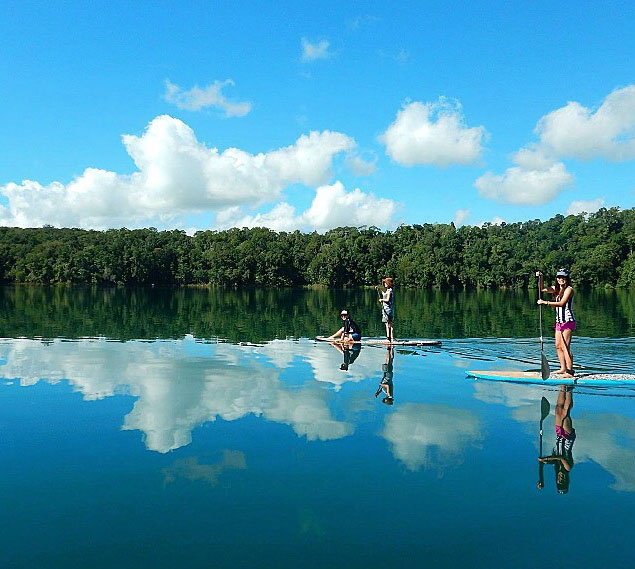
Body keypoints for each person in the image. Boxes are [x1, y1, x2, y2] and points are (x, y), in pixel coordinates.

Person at [536, 268, 575, 378]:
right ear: (556, 278)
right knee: (558, 346)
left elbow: (562, 303)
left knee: (565, 347)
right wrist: (541, 277)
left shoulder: (569, 289)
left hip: (568, 321)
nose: (561, 279)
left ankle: (570, 371)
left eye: (563, 277)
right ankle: (563, 368)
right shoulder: (556, 289)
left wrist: (545, 302)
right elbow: (542, 289)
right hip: (559, 322)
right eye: (559, 277)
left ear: (567, 279)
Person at [538, 386, 576, 494]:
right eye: (563, 481)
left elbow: (553, 460)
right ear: (566, 480)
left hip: (559, 436)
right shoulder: (568, 468)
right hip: (568, 438)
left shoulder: (556, 465)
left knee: (558, 410)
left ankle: (562, 386)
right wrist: (547, 459)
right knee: (565, 413)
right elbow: (561, 457)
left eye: (559, 481)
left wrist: (544, 462)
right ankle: (569, 389)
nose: (561, 479)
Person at [375, 277, 394, 343]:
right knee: (390, 324)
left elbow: (387, 299)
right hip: (388, 310)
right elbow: (383, 294)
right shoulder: (388, 290)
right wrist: (379, 289)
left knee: (388, 324)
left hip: (387, 310)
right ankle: (391, 338)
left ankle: (389, 338)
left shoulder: (390, 291)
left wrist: (382, 300)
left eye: (385, 283)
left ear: (388, 283)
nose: (384, 284)